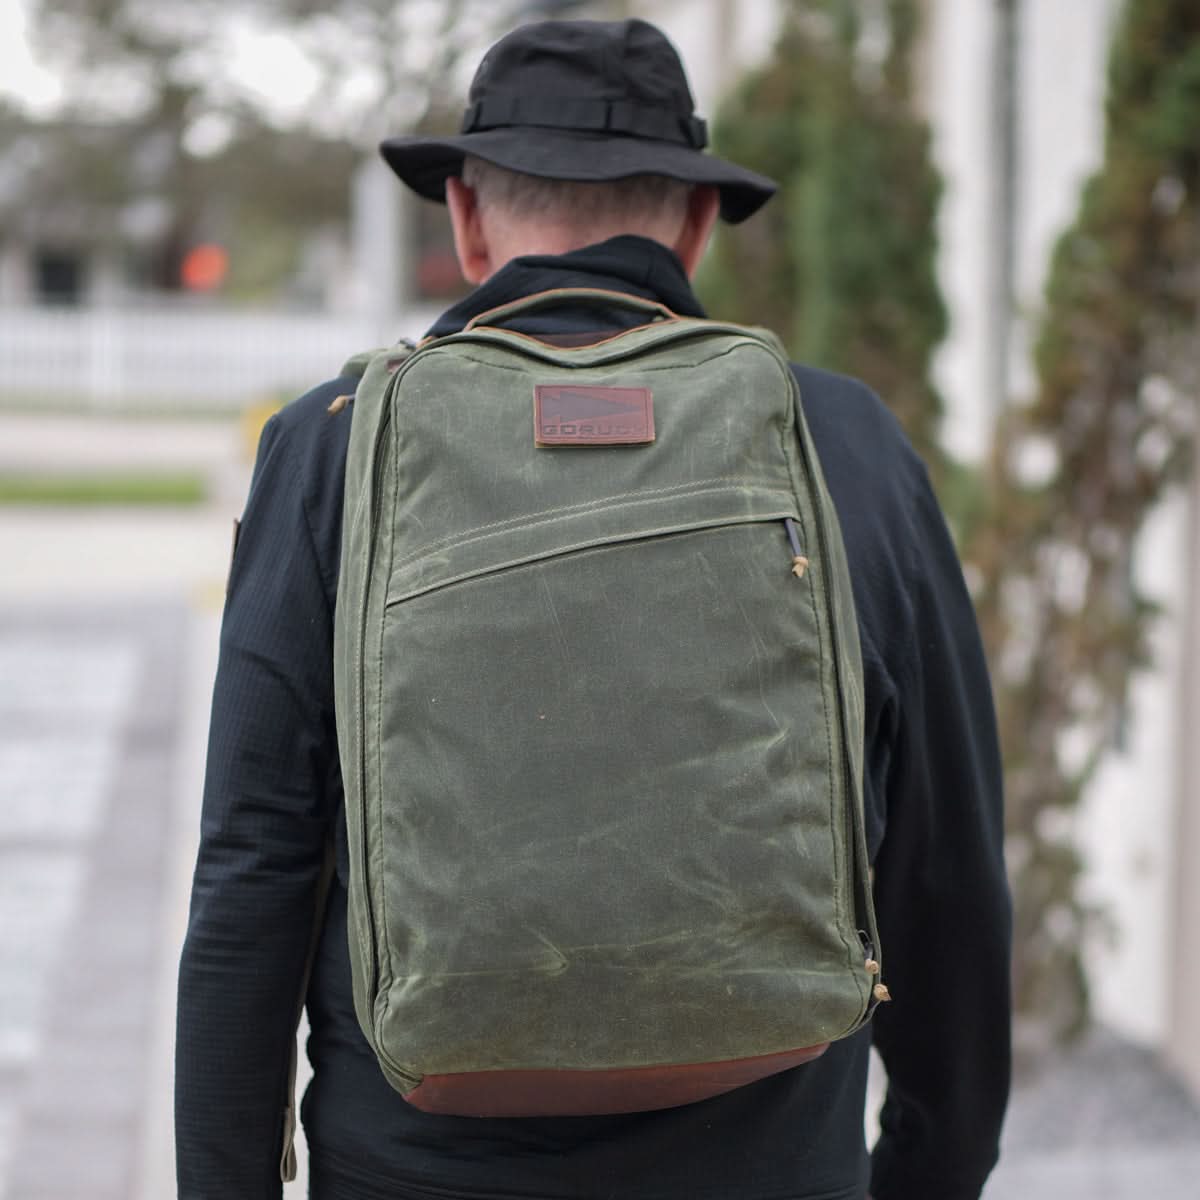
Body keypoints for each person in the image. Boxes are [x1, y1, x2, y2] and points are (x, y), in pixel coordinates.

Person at [175, 17, 1010, 1200]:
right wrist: (927, 1172)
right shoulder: (842, 447)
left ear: (466, 219)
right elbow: (946, 870)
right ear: (696, 223)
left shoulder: (334, 449)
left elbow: (250, 871)